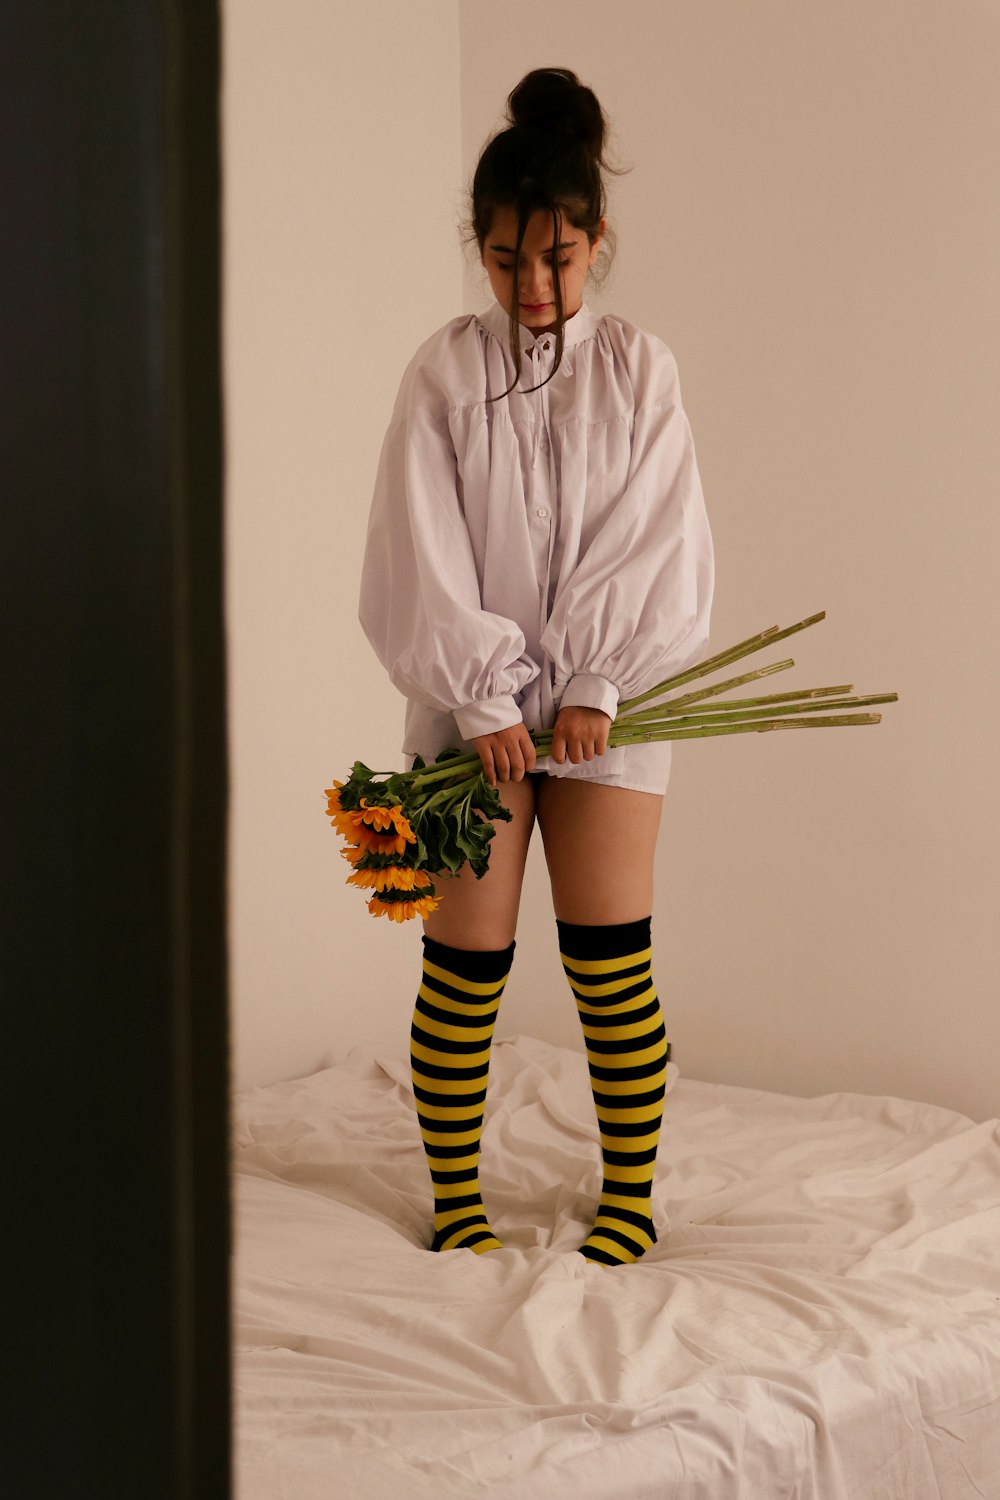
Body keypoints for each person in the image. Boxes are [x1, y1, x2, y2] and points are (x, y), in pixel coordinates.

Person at [359, 67, 714, 1266]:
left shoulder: (640, 375)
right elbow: (417, 549)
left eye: (556, 258)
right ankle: (457, 1197)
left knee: (611, 969)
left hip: (610, 710)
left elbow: (657, 539)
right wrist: (477, 697)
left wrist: (595, 687)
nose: (533, 286)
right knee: (463, 969)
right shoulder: (444, 376)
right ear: (481, 248)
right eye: (507, 260)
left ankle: (631, 1198)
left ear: (593, 242)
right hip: (475, 722)